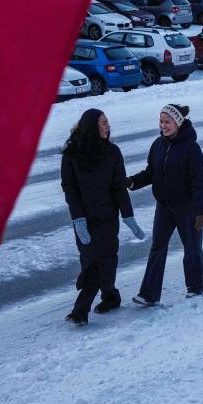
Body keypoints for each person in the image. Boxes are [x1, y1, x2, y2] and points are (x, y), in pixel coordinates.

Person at [60, 108, 145, 325]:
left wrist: (128, 216)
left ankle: (80, 311)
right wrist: (78, 219)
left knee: (104, 261)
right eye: (104, 123)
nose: (108, 127)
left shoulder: (113, 152)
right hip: (84, 219)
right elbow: (70, 189)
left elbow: (118, 188)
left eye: (107, 122)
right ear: (91, 127)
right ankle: (111, 295)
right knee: (89, 261)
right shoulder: (71, 155)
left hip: (107, 217)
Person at [129, 103, 203, 305]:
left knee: (192, 248)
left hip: (187, 208)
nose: (163, 126)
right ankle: (149, 294)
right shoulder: (158, 144)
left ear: (178, 122)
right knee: (157, 248)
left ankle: (197, 287)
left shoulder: (191, 148)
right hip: (164, 206)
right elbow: (151, 173)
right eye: (161, 121)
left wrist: (201, 212)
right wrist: (132, 182)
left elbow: (200, 181)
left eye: (167, 122)